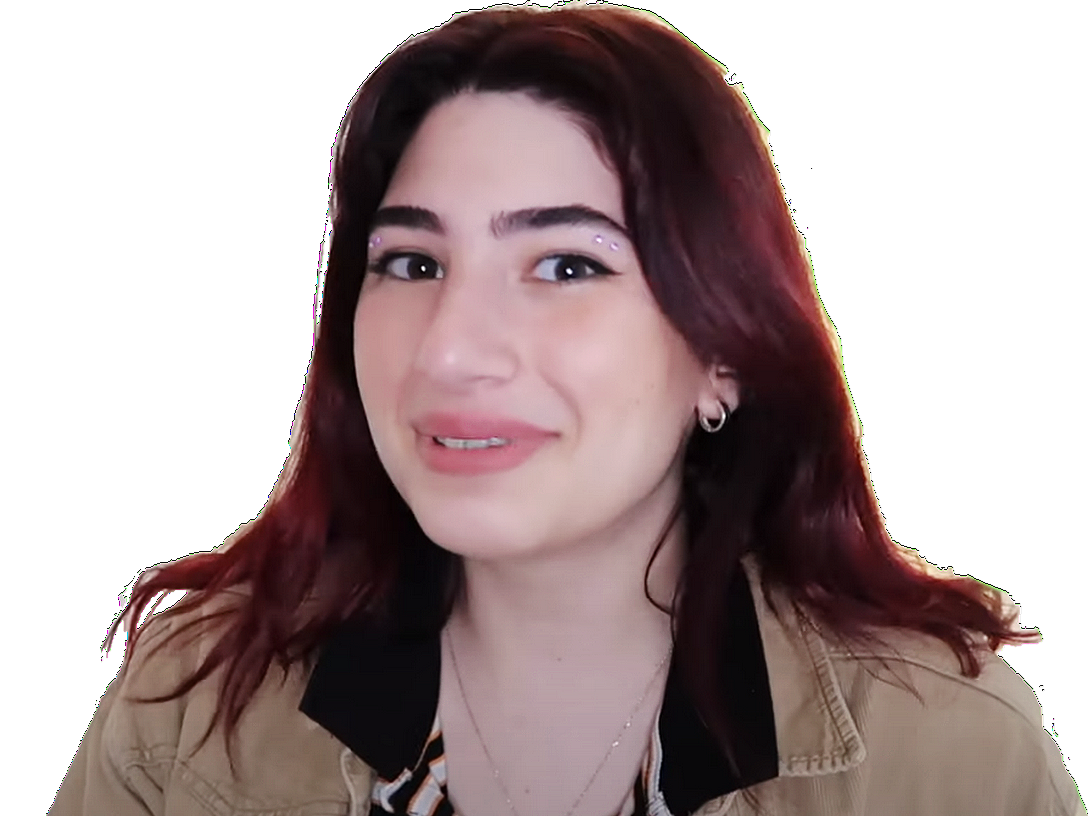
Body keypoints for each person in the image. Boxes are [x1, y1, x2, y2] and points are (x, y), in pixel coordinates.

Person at [50, 3, 1083, 815]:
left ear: (724, 352)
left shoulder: (944, 753)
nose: (448, 347)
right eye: (411, 262)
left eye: (565, 265)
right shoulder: (188, 716)